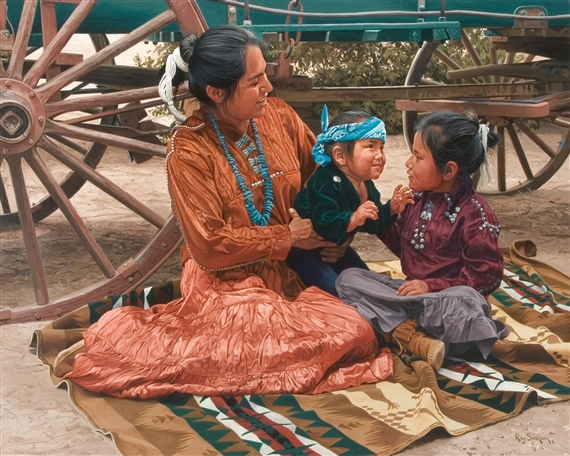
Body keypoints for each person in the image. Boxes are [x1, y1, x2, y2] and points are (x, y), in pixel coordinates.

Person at [62, 25, 393, 399]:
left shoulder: (280, 116)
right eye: (255, 81)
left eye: (265, 74)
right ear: (217, 92)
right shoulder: (188, 149)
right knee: (332, 335)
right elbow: (209, 244)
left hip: (297, 265)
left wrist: (337, 231)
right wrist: (286, 236)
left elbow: (325, 181)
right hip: (229, 282)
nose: (268, 86)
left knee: (361, 323)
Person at [336, 110, 509, 371]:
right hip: (411, 299)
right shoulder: (415, 200)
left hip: (445, 303)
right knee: (348, 279)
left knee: (467, 304)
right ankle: (413, 336)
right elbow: (403, 246)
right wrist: (379, 213)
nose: (409, 163)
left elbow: (486, 277)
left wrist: (431, 286)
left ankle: (397, 329)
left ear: (448, 170)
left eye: (418, 157)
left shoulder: (475, 215)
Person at [287, 107, 413, 297]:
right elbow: (322, 223)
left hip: (338, 248)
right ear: (340, 155)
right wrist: (353, 219)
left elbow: (372, 223)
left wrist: (391, 209)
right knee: (336, 292)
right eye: (370, 146)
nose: (379, 155)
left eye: (381, 147)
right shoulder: (325, 181)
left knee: (367, 281)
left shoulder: (365, 184)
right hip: (307, 251)